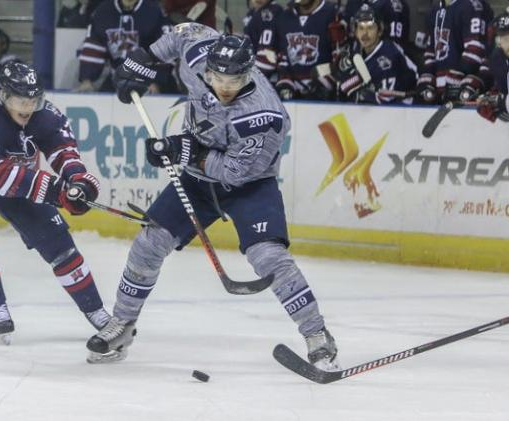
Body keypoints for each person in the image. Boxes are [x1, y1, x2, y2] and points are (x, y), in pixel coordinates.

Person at [86, 24, 341, 371]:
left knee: (268, 256)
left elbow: (236, 173)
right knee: (150, 241)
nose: (222, 87)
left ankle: (317, 334)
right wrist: (146, 60)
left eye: (233, 81)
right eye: (216, 77)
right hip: (196, 179)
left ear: (247, 74)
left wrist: (183, 148)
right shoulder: (200, 57)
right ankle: (122, 323)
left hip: (250, 185)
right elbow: (183, 32)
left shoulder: (263, 117)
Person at [0, 62, 112, 346]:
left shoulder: (46, 114)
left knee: (56, 239)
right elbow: (2, 178)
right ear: (4, 95)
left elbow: (63, 149)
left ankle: (97, 310)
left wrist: (77, 181)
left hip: (15, 174)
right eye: (19, 100)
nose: (27, 107)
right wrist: (58, 191)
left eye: (33, 100)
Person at [76, 0, 173, 93]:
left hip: (147, 79)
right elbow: (94, 46)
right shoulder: (103, 11)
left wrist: (156, 81)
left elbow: (164, 49)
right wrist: (87, 79)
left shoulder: (155, 11)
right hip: (116, 78)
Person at [259, 0, 347, 100]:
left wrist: (326, 80)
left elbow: (340, 60)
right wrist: (285, 79)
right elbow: (277, 57)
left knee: (319, 94)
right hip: (291, 83)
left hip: (322, 84)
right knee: (282, 94)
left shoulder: (333, 15)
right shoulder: (283, 17)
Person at [336, 4, 417, 104]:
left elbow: (384, 100)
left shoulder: (389, 54)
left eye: (370, 28)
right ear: (355, 32)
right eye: (361, 28)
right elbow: (343, 88)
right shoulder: (356, 51)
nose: (365, 33)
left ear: (380, 30)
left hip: (404, 110)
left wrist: (359, 93)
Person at [415, 0, 487, 105]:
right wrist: (428, 75)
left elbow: (476, 48)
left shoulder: (471, 6)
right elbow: (430, 50)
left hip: (466, 86)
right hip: (439, 87)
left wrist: (460, 73)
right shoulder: (433, 11)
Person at [476, 12, 509, 122]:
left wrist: (502, 102)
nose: (508, 43)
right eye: (504, 38)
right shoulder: (498, 58)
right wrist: (492, 98)